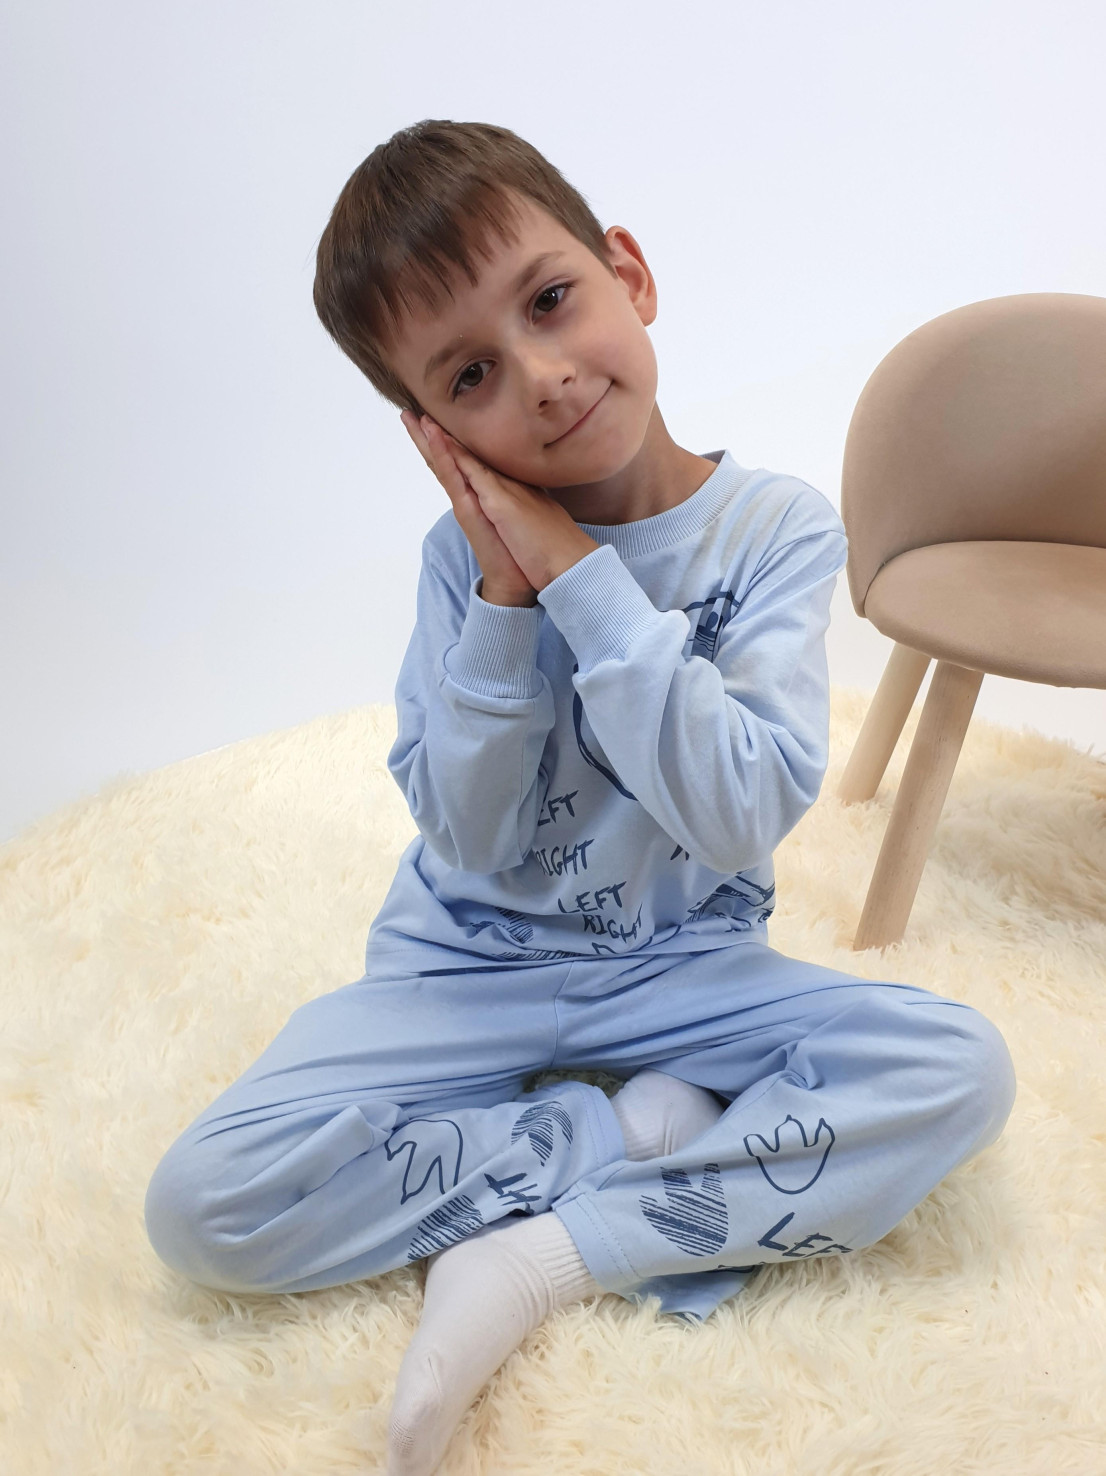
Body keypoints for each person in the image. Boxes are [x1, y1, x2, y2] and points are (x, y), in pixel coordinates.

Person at [143, 120, 1018, 1476]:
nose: (542, 379)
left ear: (629, 274)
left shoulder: (773, 530)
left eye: (550, 301)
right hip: (463, 969)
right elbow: (470, 834)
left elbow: (737, 812)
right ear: (434, 432)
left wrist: (581, 577)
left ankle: (546, 1257)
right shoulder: (458, 564)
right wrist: (509, 593)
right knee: (207, 1208)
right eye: (472, 375)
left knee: (956, 1068)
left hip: (684, 967)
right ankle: (625, 1133)